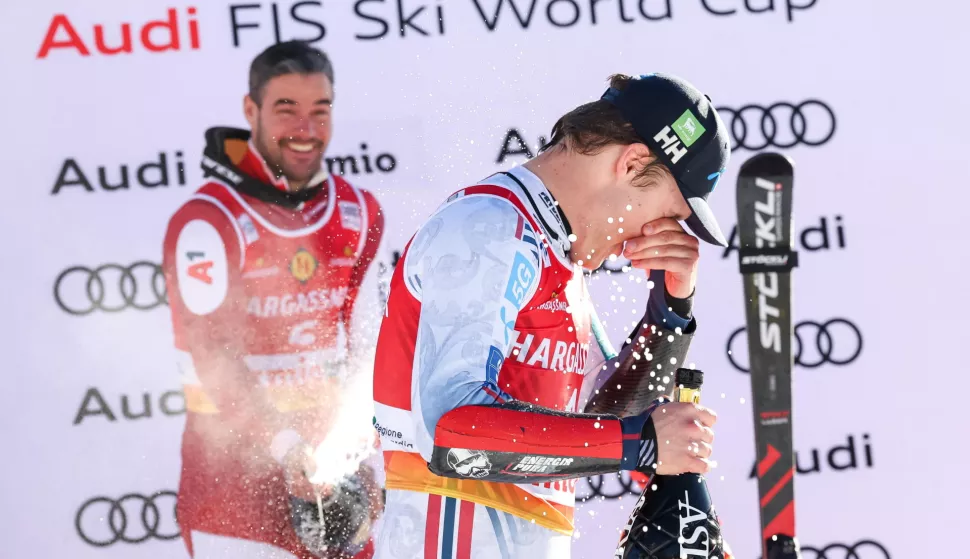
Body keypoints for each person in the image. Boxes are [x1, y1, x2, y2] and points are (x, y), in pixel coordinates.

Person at [372, 73, 731, 558]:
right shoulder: (489, 227)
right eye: (668, 211)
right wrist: (643, 441)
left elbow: (599, 420)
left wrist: (669, 310)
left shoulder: (556, 256)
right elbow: (449, 433)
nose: (660, 233)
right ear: (632, 163)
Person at [162, 41, 385, 559]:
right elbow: (211, 356)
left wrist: (360, 452)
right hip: (235, 494)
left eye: (320, 111)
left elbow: (367, 343)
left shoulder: (358, 211)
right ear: (250, 111)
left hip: (336, 490)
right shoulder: (207, 221)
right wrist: (285, 447)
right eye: (287, 109)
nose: (305, 129)